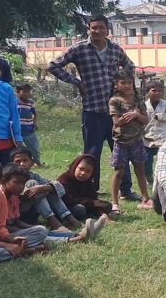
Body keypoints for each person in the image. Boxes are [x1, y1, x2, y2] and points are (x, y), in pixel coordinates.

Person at [47, 14, 137, 199]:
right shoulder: (79, 48)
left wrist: (123, 86)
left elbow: (130, 66)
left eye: (101, 28)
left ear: (107, 30)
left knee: (121, 150)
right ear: (88, 29)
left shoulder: (115, 50)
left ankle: (125, 190)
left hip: (116, 113)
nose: (97, 31)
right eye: (94, 28)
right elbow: (53, 65)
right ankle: (90, 190)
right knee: (92, 153)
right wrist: (76, 82)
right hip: (92, 111)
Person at [2, 163, 104, 244]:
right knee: (40, 233)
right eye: (17, 183)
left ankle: (78, 234)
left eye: (23, 184)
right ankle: (74, 239)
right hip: (6, 233)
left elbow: (16, 221)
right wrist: (31, 228)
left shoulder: (13, 196)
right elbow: (4, 227)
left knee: (50, 190)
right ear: (3, 181)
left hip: (18, 225)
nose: (21, 187)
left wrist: (31, 227)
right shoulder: (0, 198)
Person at [0, 158, 48, 263]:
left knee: (41, 231)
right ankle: (25, 252)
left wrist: (10, 239)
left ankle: (10, 250)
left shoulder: (0, 195)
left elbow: (0, 227)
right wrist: (6, 245)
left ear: (0, 180)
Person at [107, 69, 152, 215]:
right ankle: (114, 203)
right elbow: (117, 122)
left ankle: (145, 198)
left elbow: (145, 120)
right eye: (123, 83)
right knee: (119, 172)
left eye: (129, 82)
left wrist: (136, 114)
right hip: (121, 142)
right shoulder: (115, 101)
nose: (127, 85)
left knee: (140, 170)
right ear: (116, 84)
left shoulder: (138, 100)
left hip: (137, 141)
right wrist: (128, 117)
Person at [9, 147, 83, 232]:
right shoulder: (11, 179)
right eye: (17, 162)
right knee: (33, 184)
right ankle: (55, 222)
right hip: (19, 214)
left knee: (50, 188)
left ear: (32, 162)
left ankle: (69, 219)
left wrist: (42, 188)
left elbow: (61, 188)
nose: (22, 164)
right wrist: (37, 189)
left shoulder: (34, 175)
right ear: (12, 164)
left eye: (25, 161)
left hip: (32, 212)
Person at [57, 154, 112, 221]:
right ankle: (87, 215)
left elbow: (94, 199)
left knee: (107, 205)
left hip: (85, 203)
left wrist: (103, 214)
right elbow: (67, 199)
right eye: (81, 169)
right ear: (75, 166)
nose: (83, 173)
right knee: (80, 209)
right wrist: (91, 203)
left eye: (88, 171)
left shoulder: (88, 182)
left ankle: (91, 214)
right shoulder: (64, 179)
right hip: (66, 207)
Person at [143, 79, 166, 183]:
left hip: (163, 138)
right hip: (147, 139)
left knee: (164, 160)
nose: (157, 93)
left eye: (159, 91)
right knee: (146, 161)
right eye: (154, 90)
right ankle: (149, 179)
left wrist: (162, 116)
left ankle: (164, 179)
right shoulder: (143, 106)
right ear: (147, 92)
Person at [15, 83, 41, 165]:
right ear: (18, 92)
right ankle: (17, 162)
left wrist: (35, 123)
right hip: (17, 130)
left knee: (34, 147)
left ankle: (37, 162)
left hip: (28, 129)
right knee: (17, 148)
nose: (27, 94)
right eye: (24, 92)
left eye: (28, 92)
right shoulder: (14, 102)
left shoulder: (30, 103)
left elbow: (35, 114)